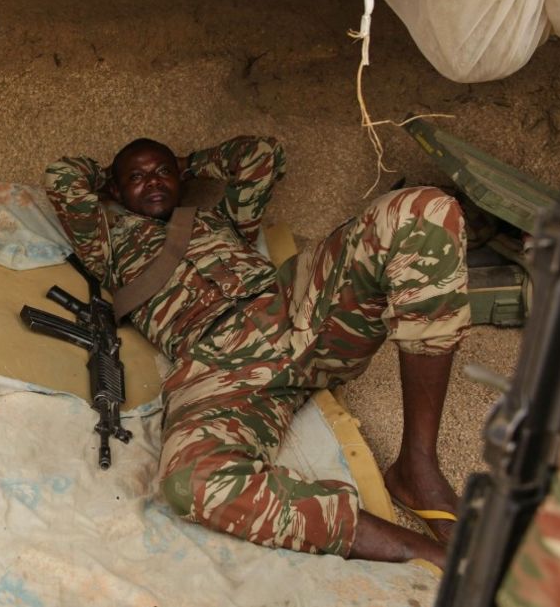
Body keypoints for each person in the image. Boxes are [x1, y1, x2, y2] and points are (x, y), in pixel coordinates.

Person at [43, 136, 470, 567]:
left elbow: (260, 156)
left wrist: (186, 163)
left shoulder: (221, 220)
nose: (152, 181)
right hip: (216, 362)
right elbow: (62, 177)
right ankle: (418, 552)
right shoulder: (107, 245)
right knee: (192, 483)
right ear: (115, 191)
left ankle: (418, 465)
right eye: (136, 177)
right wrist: (112, 178)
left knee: (422, 211)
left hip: (298, 308)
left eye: (162, 172)